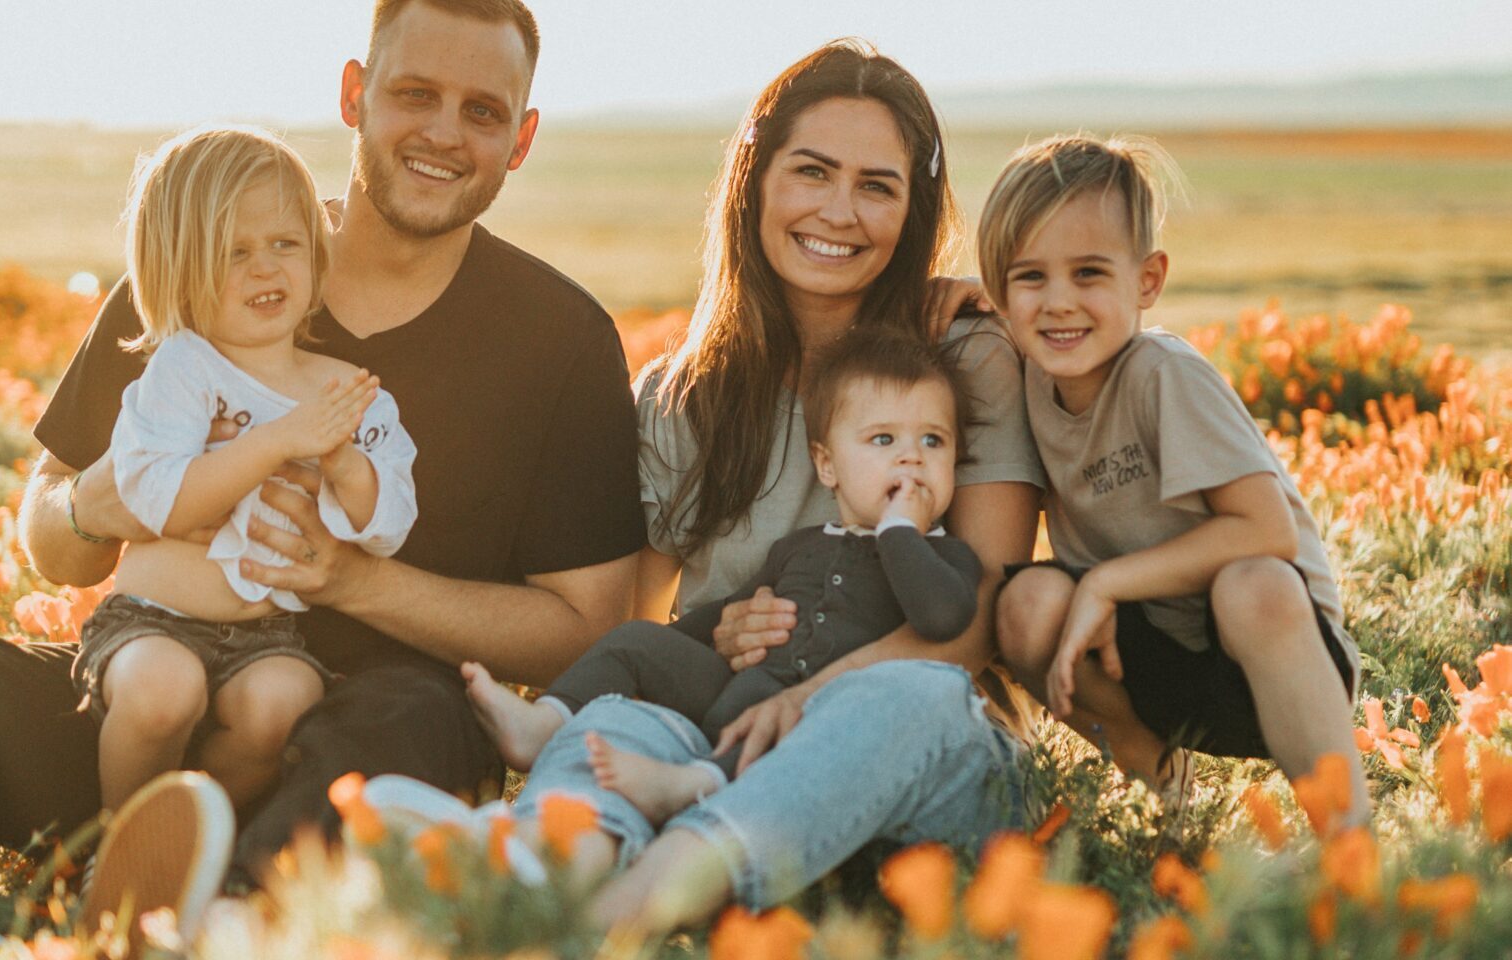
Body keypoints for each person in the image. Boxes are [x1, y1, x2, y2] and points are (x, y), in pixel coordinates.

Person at [0, 0, 643, 937]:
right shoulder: (208, 255)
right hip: (146, 702)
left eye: (482, 111)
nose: (444, 132)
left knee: (414, 719)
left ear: (519, 140)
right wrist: (96, 505)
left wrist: (353, 580)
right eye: (414, 94)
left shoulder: (559, 340)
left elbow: (585, 630)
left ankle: (212, 918)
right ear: (356, 95)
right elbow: (50, 536)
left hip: (353, 738)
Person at [367, 40, 1045, 931]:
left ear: (912, 210)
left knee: (900, 698)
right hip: (725, 740)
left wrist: (808, 696)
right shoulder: (682, 397)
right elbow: (631, 627)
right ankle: (539, 865)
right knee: (624, 717)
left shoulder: (962, 359)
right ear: (755, 180)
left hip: (923, 758)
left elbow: (977, 626)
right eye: (811, 172)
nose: (839, 211)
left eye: (877, 186)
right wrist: (716, 634)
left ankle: (617, 916)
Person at [980, 134, 1368, 824]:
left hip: (1269, 659)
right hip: (1149, 663)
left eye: (1090, 273)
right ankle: (1166, 795)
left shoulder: (1164, 375)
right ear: (999, 292)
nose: (1058, 302)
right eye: (1030, 277)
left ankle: (1348, 839)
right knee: (1024, 603)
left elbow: (1266, 530)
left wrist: (1106, 581)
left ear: (1148, 281)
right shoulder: (1029, 382)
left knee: (1254, 583)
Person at [463, 329, 981, 819]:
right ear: (828, 466)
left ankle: (694, 784)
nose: (912, 458)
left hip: (823, 720)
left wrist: (899, 532)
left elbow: (941, 616)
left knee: (773, 719)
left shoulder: (947, 559)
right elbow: (724, 613)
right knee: (637, 641)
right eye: (884, 439)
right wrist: (676, 646)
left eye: (934, 442)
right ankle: (544, 723)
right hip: (738, 689)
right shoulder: (800, 546)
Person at [75, 126, 417, 814]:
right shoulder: (183, 368)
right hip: (151, 620)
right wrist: (278, 440)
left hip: (267, 635)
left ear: (316, 255)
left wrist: (343, 463)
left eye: (284, 245)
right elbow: (160, 503)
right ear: (179, 270)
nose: (265, 269)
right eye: (234, 253)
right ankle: (115, 842)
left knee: (285, 703)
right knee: (162, 691)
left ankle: (194, 839)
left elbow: (389, 525)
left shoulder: (346, 387)